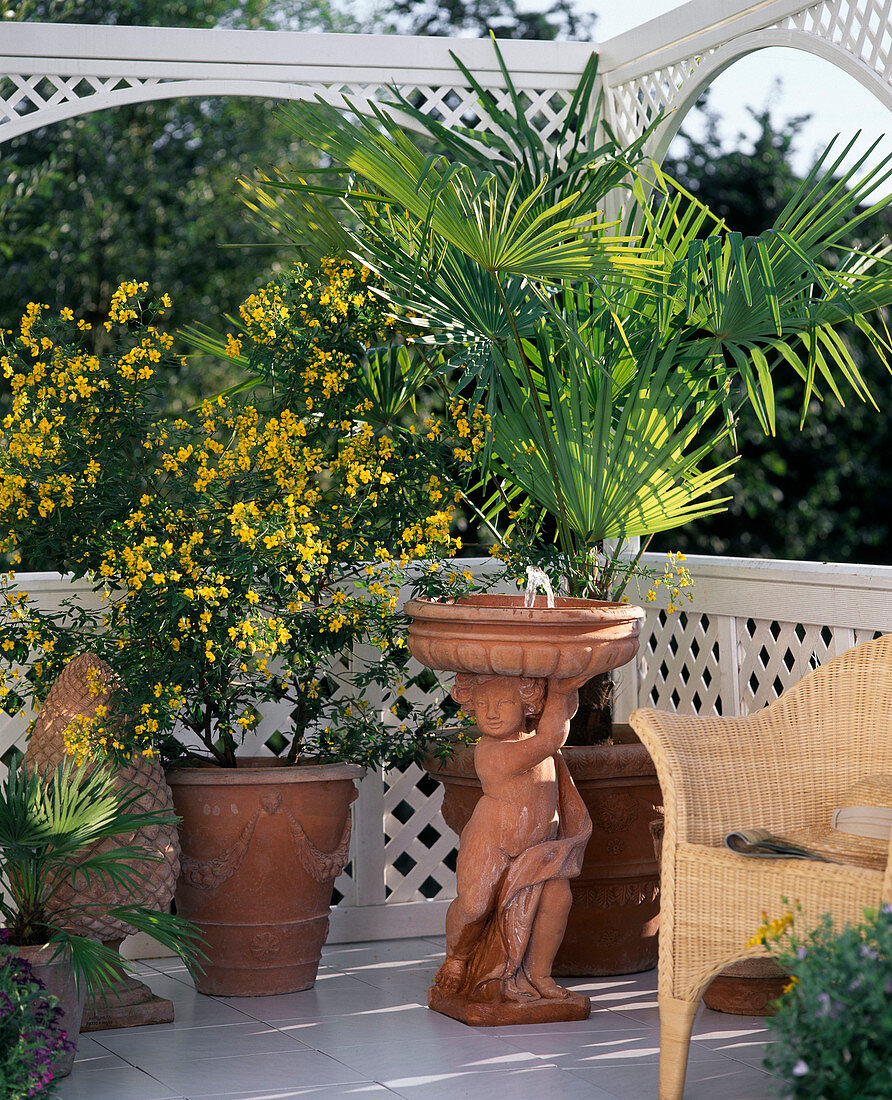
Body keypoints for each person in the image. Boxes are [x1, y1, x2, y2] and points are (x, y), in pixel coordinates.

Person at [433, 671, 592, 1005]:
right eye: (481, 704)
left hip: (538, 847)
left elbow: (562, 715)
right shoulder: (493, 752)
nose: (491, 712)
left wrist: (566, 687)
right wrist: (564, 685)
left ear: (527, 704)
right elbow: (552, 737)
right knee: (475, 906)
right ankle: (457, 957)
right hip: (493, 841)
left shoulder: (531, 739)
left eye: (504, 702)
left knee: (557, 897)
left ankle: (540, 974)